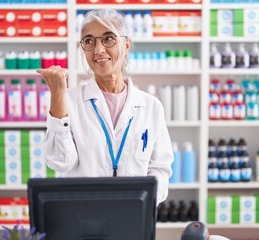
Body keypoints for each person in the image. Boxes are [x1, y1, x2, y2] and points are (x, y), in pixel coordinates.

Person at [37, 9, 173, 205]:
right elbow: (60, 162)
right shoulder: (68, 101)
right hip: (82, 215)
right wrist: (58, 93)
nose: (98, 49)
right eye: (89, 41)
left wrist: (140, 200)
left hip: (133, 217)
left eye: (108, 39)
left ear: (126, 45)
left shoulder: (151, 107)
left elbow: (160, 170)